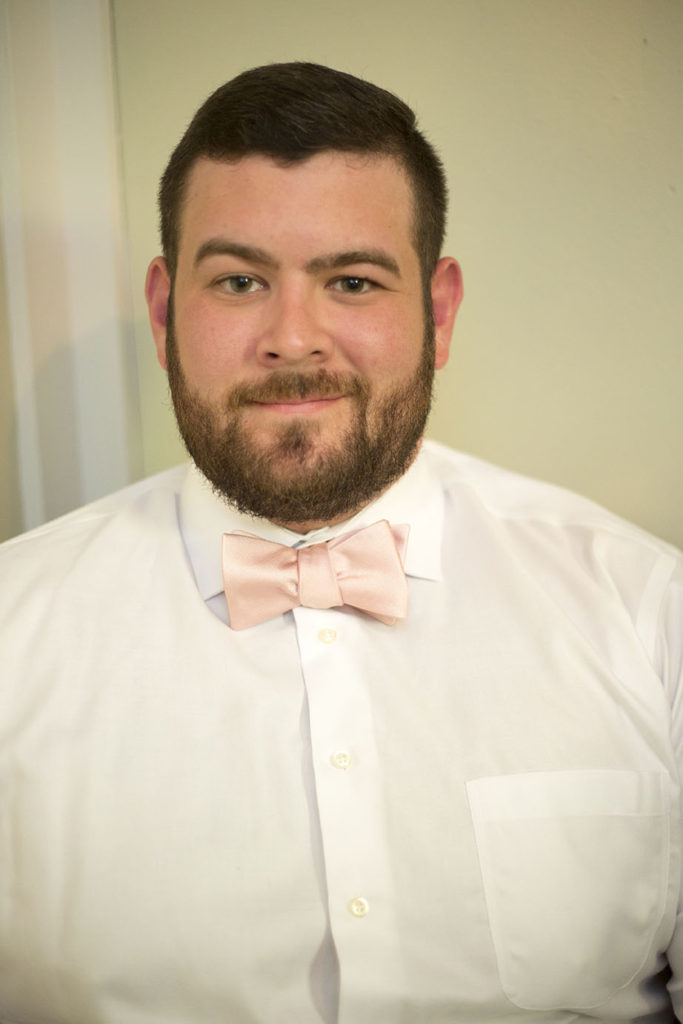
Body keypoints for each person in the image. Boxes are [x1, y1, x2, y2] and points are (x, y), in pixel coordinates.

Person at [0, 61, 681, 1024]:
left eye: (351, 281)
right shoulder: (10, 636)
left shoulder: (649, 614)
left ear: (437, 313)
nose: (293, 336)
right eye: (239, 281)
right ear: (162, 314)